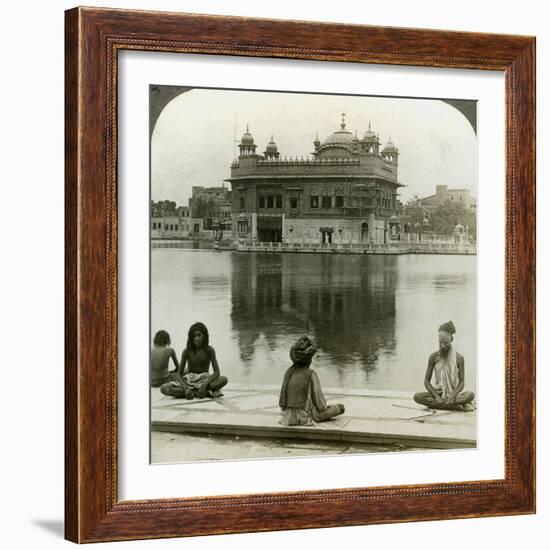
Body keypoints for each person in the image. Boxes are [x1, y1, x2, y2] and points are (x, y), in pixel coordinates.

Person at [279, 336, 345, 426]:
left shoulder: (288, 371)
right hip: (306, 415)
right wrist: (325, 408)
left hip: (288, 416)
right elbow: (321, 405)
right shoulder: (311, 374)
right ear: (308, 360)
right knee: (341, 408)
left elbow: (282, 403)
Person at [413, 321, 475, 411]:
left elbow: (462, 382)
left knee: (470, 395)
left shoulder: (459, 358)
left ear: (452, 339)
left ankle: (442, 404)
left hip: (453, 393)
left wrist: (452, 396)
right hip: (438, 393)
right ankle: (454, 406)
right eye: (440, 342)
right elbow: (426, 381)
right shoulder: (433, 357)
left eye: (446, 343)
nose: (443, 346)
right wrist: (436, 396)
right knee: (417, 397)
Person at [160, 322, 228, 399]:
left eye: (199, 335)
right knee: (164, 388)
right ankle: (202, 392)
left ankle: (199, 391)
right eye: (194, 336)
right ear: (190, 338)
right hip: (189, 380)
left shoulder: (209, 350)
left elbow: (217, 372)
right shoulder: (187, 351)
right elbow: (179, 374)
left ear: (204, 336)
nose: (196, 338)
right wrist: (186, 388)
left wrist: (204, 384)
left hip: (204, 379)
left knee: (224, 379)